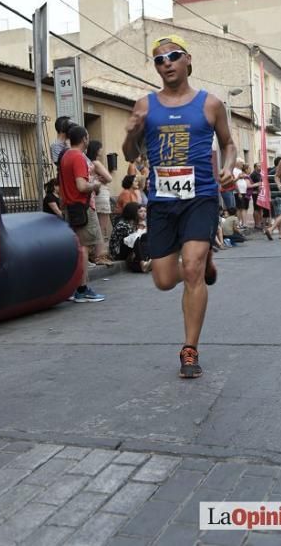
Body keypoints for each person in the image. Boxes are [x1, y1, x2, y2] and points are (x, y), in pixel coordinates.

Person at [122, 34, 236, 379]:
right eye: (159, 59)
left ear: (187, 60)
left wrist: (228, 167)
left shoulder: (211, 104)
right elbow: (130, 154)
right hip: (162, 202)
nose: (166, 63)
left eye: (172, 56)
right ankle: (202, 258)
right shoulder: (144, 106)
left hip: (200, 196)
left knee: (192, 269)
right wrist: (130, 134)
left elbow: (228, 144)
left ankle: (190, 349)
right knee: (163, 279)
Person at [59, 124, 105, 302]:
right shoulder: (78, 157)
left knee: (78, 248)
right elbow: (81, 185)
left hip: (71, 207)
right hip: (83, 207)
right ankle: (82, 289)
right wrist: (95, 185)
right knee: (85, 248)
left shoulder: (65, 157)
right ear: (85, 138)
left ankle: (74, 288)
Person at [86, 140, 113, 241]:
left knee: (95, 225)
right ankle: (99, 253)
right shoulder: (96, 163)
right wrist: (103, 178)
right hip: (101, 193)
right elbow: (109, 178)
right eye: (100, 147)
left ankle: (95, 252)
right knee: (101, 227)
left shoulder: (88, 162)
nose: (102, 149)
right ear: (96, 150)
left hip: (95, 194)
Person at [264, 156, 281, 240]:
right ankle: (271, 229)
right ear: (279, 163)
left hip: (273, 196)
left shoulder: (270, 171)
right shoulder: (280, 172)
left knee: (278, 215)